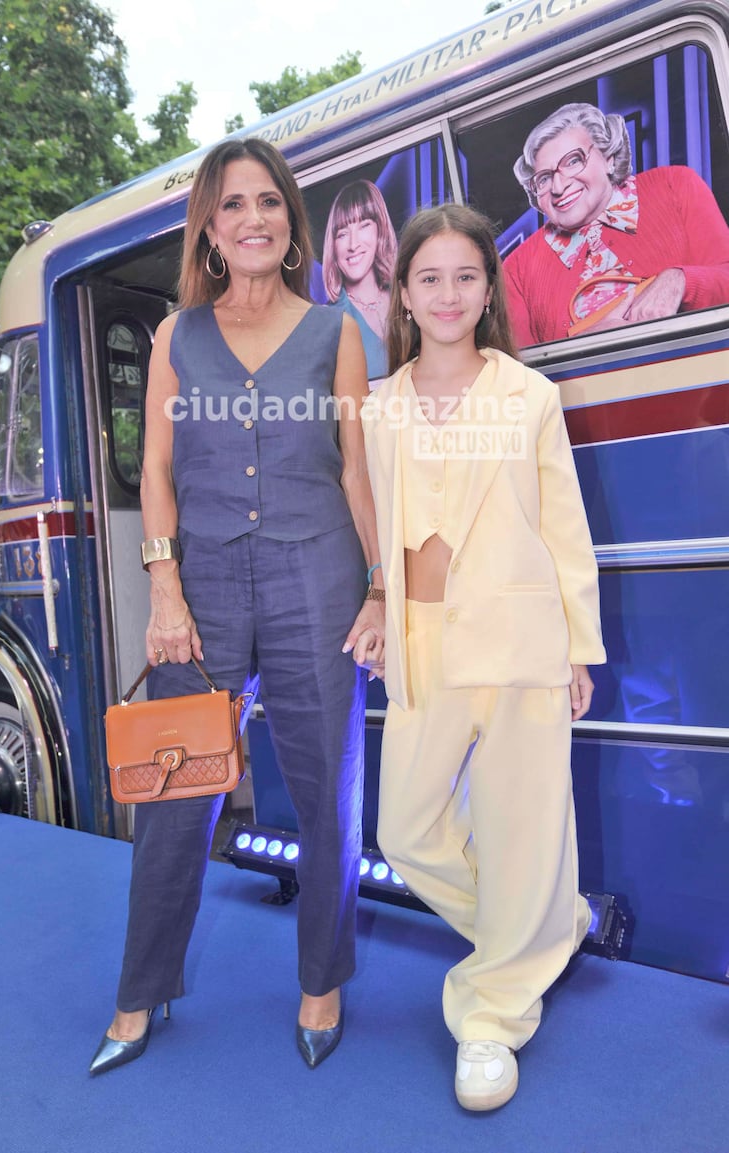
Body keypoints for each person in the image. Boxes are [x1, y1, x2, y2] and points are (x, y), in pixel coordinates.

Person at [89, 138, 385, 1076]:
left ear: (290, 221)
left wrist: (379, 584)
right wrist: (163, 589)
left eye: (267, 202)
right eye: (231, 206)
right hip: (204, 589)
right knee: (176, 794)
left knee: (327, 795)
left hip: (319, 578)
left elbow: (356, 468)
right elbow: (158, 471)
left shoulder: (338, 333)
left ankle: (321, 981)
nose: (252, 218)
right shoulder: (178, 336)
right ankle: (140, 993)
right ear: (209, 231)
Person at [360, 204, 606, 1111]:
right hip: (423, 648)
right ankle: (543, 929)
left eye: (466, 276)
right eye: (430, 278)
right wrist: (378, 600)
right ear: (405, 295)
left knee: (523, 826)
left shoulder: (528, 396)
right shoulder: (378, 406)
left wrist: (579, 644)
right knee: (404, 830)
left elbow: (564, 529)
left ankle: (490, 1015)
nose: (449, 292)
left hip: (520, 640)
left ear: (486, 290)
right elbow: (374, 532)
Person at [503, 102, 729, 345]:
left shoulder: (674, 186)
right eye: (544, 178)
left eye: (573, 161)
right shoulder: (517, 269)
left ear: (608, 157)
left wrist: (680, 281)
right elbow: (520, 372)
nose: (559, 187)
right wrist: (585, 345)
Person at [322, 179, 398, 379]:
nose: (353, 244)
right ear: (333, 246)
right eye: (342, 233)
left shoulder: (409, 298)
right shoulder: (327, 323)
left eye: (364, 225)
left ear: (379, 230)